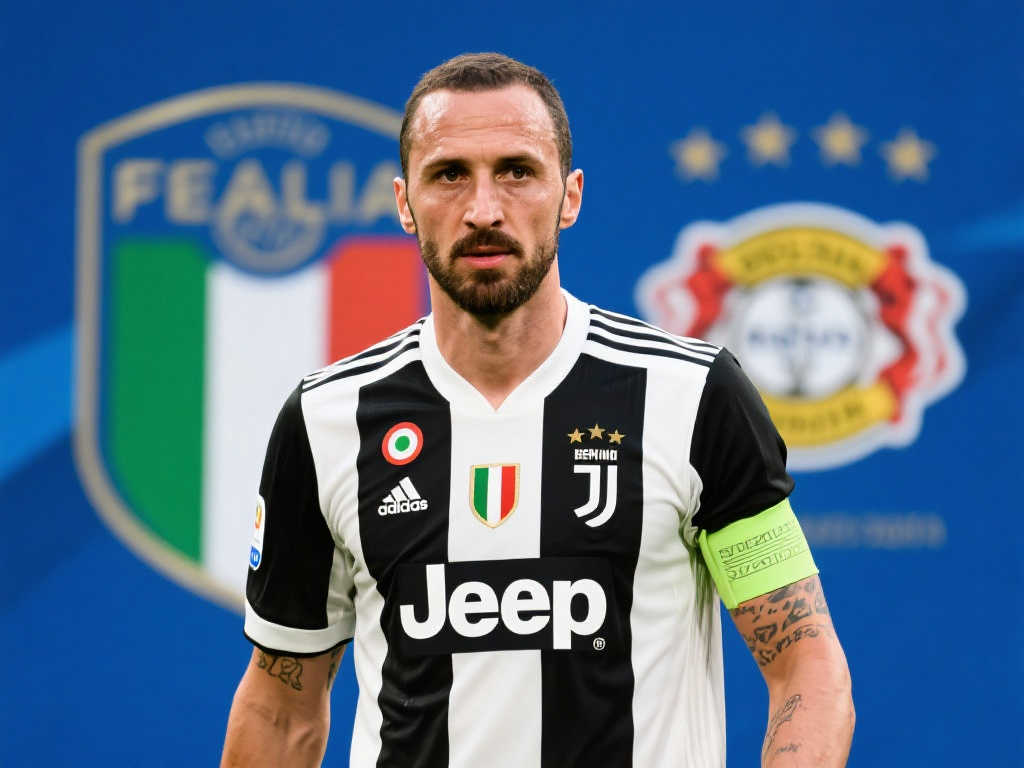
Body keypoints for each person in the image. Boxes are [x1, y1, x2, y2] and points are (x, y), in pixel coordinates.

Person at [221, 53, 854, 768]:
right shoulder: (327, 419)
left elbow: (807, 666)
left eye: (517, 171)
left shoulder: (693, 395)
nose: (483, 210)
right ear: (404, 202)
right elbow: (280, 710)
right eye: (449, 174)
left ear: (570, 195)